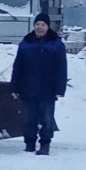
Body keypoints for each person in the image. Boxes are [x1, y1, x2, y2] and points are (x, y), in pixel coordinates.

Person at [11, 12, 67, 155]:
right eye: (37, 24)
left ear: (48, 27)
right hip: (28, 89)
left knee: (47, 119)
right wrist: (15, 86)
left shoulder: (56, 44)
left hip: (48, 90)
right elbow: (17, 67)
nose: (40, 27)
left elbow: (61, 68)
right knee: (29, 119)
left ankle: (45, 144)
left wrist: (60, 88)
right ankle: (29, 143)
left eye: (43, 24)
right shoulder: (25, 44)